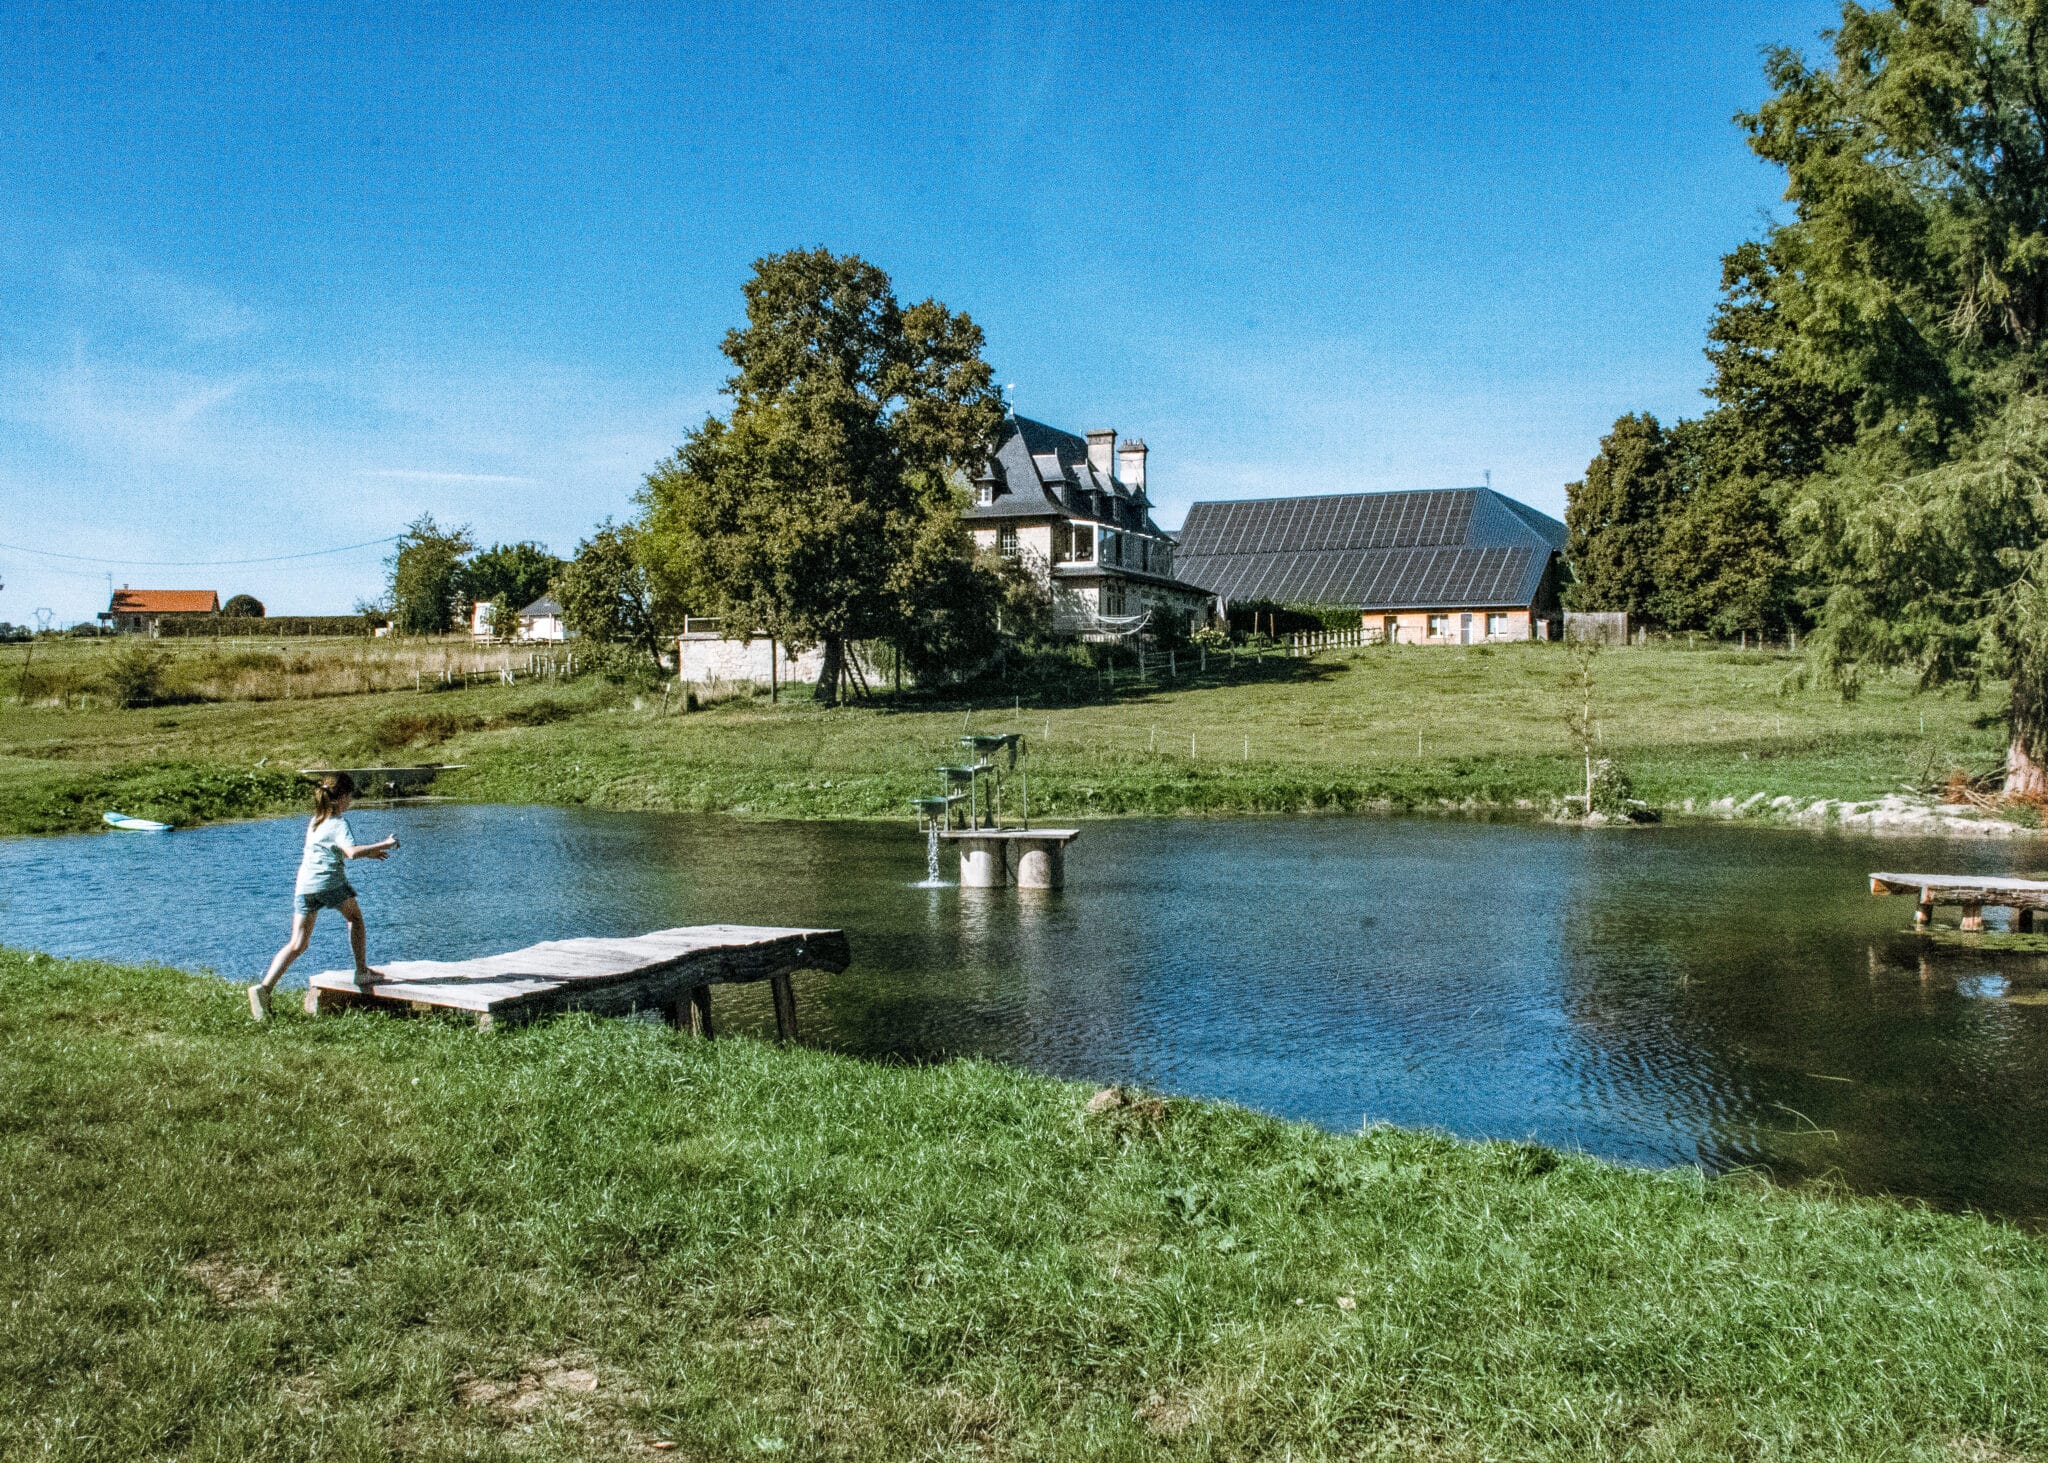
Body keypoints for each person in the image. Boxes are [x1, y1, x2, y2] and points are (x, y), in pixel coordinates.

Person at [249, 772, 399, 1020]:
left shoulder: (315, 821)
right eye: (350, 796)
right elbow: (350, 851)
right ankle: (361, 971)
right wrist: (384, 844)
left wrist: (369, 854)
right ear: (342, 798)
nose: (351, 801)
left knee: (297, 943)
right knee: (355, 919)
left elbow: (330, 850)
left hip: (306, 886)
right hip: (329, 883)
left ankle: (264, 988)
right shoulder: (340, 822)